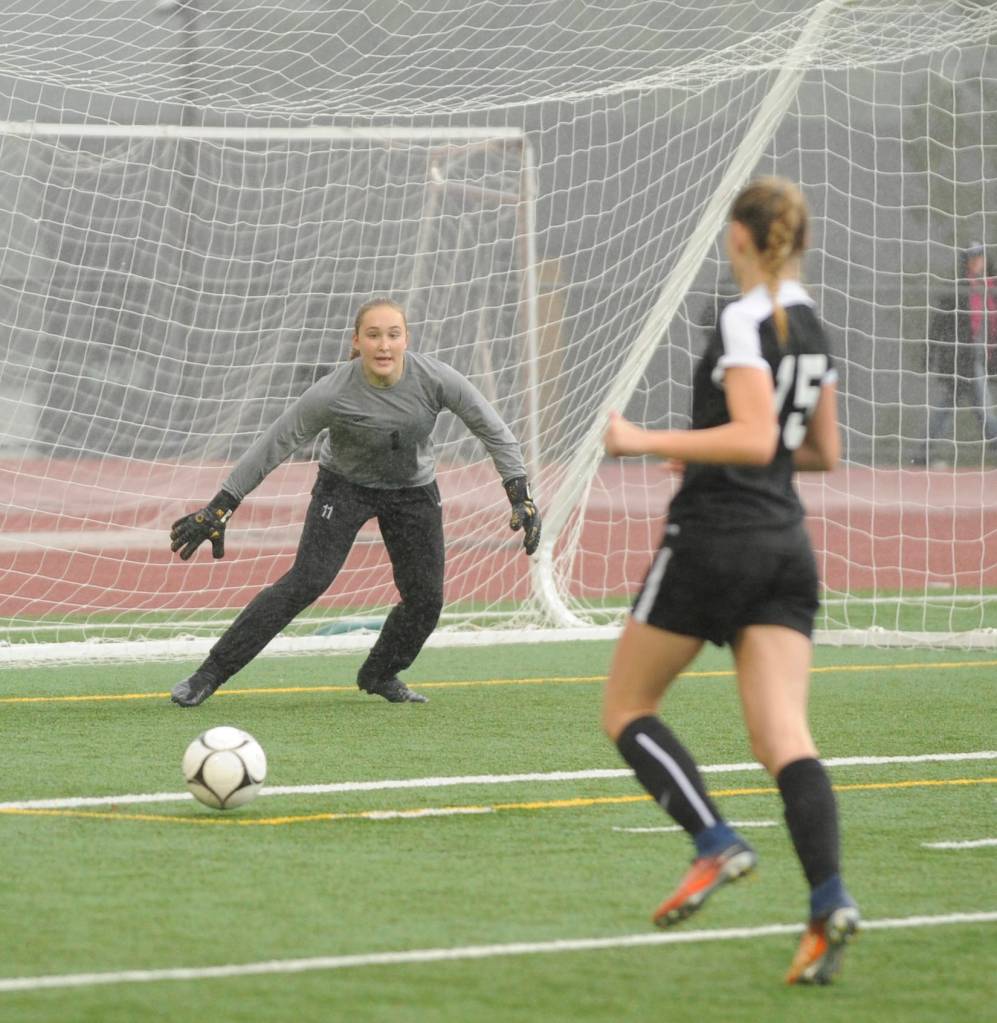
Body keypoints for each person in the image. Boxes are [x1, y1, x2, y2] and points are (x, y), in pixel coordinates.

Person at [601, 176, 859, 985]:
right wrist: (708, 441)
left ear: (740, 237)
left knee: (625, 707)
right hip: (786, 542)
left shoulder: (744, 318)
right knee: (784, 738)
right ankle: (827, 899)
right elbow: (816, 453)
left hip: (716, 539)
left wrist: (642, 437)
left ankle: (713, 839)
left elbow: (751, 436)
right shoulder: (811, 324)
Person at [168, 298, 541, 706]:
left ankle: (380, 673)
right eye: (374, 335)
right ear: (357, 341)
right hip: (343, 489)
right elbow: (273, 445)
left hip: (412, 492)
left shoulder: (436, 379)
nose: (384, 345)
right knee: (307, 581)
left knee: (426, 600)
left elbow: (495, 431)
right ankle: (210, 673)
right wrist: (222, 506)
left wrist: (519, 494)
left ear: (406, 340)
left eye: (393, 335)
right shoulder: (332, 392)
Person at [922, 242, 997, 466]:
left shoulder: (989, 286)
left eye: (980, 257)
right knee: (982, 407)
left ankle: (924, 449)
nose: (977, 262)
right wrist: (929, 352)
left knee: (950, 405)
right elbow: (938, 323)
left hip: (979, 353)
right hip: (963, 355)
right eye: (972, 258)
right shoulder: (957, 289)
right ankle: (925, 450)